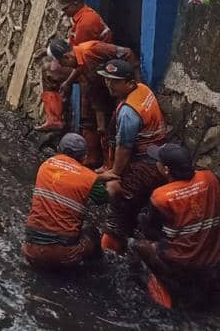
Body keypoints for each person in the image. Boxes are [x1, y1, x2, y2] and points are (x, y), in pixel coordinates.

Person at [134, 143, 220, 307]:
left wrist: (143, 219)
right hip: (213, 260)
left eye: (158, 161)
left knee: (139, 246)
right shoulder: (210, 178)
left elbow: (152, 232)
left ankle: (162, 287)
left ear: (166, 170)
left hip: (184, 264)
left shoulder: (162, 197)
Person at [96, 59, 168, 253]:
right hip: (158, 156)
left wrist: (115, 174)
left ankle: (111, 250)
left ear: (128, 83)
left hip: (144, 164)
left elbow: (124, 148)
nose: (109, 85)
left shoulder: (129, 112)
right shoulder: (142, 90)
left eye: (114, 81)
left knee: (118, 204)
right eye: (107, 80)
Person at [48, 38, 139, 167]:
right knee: (99, 126)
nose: (63, 67)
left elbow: (128, 53)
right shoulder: (80, 60)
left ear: (66, 57)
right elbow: (84, 73)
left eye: (62, 63)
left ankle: (115, 166)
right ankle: (99, 160)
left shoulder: (92, 50)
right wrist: (68, 82)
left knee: (117, 128)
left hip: (121, 88)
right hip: (103, 90)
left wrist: (137, 84)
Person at [21, 133, 106, 269]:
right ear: (84, 157)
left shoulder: (45, 166)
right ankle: (98, 269)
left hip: (31, 252)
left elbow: (66, 176)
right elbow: (103, 199)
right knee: (92, 232)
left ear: (59, 150)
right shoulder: (88, 178)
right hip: (64, 256)